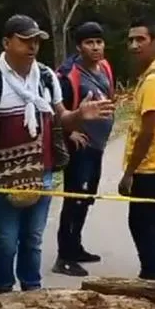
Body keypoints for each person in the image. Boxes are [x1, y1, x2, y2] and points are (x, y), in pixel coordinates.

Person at [0, 15, 115, 302]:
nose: (32, 46)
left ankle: (32, 295)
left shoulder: (46, 77)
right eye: (25, 40)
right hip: (3, 177)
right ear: (6, 42)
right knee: (7, 241)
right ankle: (2, 297)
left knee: (33, 240)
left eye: (36, 40)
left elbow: (62, 118)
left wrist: (80, 116)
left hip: (42, 172)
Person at [51, 22, 115, 277]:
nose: (96, 47)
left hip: (98, 146)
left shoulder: (106, 67)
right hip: (81, 148)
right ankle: (63, 256)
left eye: (99, 42)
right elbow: (56, 112)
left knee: (86, 199)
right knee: (74, 199)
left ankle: (75, 246)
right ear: (79, 47)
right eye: (89, 43)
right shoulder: (68, 76)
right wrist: (70, 132)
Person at [119, 16, 155, 281]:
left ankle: (152, 276)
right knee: (146, 222)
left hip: (150, 167)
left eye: (140, 39)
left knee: (142, 224)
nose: (134, 45)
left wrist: (129, 172)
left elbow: (147, 132)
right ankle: (150, 273)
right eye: (131, 40)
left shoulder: (153, 80)